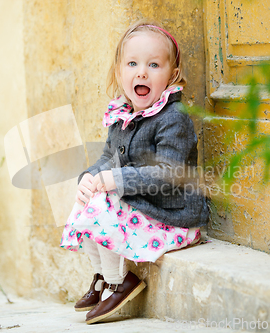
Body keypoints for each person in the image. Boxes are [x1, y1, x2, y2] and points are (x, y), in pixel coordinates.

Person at [59, 18, 209, 325]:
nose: (142, 71)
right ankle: (102, 275)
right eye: (132, 63)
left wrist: (116, 179)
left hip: (174, 215)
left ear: (172, 75)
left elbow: (168, 174)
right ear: (119, 72)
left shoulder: (173, 118)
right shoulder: (122, 115)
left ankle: (121, 282)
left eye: (154, 65)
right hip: (144, 206)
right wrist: (90, 177)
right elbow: (107, 160)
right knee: (87, 198)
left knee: (104, 202)